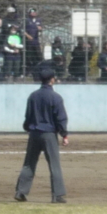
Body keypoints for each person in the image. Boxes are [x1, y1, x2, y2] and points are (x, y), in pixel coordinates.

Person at [15, 67, 69, 203]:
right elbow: (61, 118)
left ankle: (20, 192)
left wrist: (28, 127)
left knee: (29, 163)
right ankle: (57, 195)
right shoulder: (56, 97)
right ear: (52, 80)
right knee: (54, 165)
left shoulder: (33, 96)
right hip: (49, 134)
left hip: (34, 133)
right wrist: (64, 134)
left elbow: (28, 116)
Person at [24, 7, 43, 74]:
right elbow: (22, 30)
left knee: (38, 56)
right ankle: (28, 71)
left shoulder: (38, 20)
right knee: (29, 57)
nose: (34, 13)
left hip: (36, 42)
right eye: (32, 11)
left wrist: (40, 29)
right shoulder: (26, 20)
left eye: (35, 11)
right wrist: (28, 36)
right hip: (29, 42)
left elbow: (40, 28)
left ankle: (38, 70)